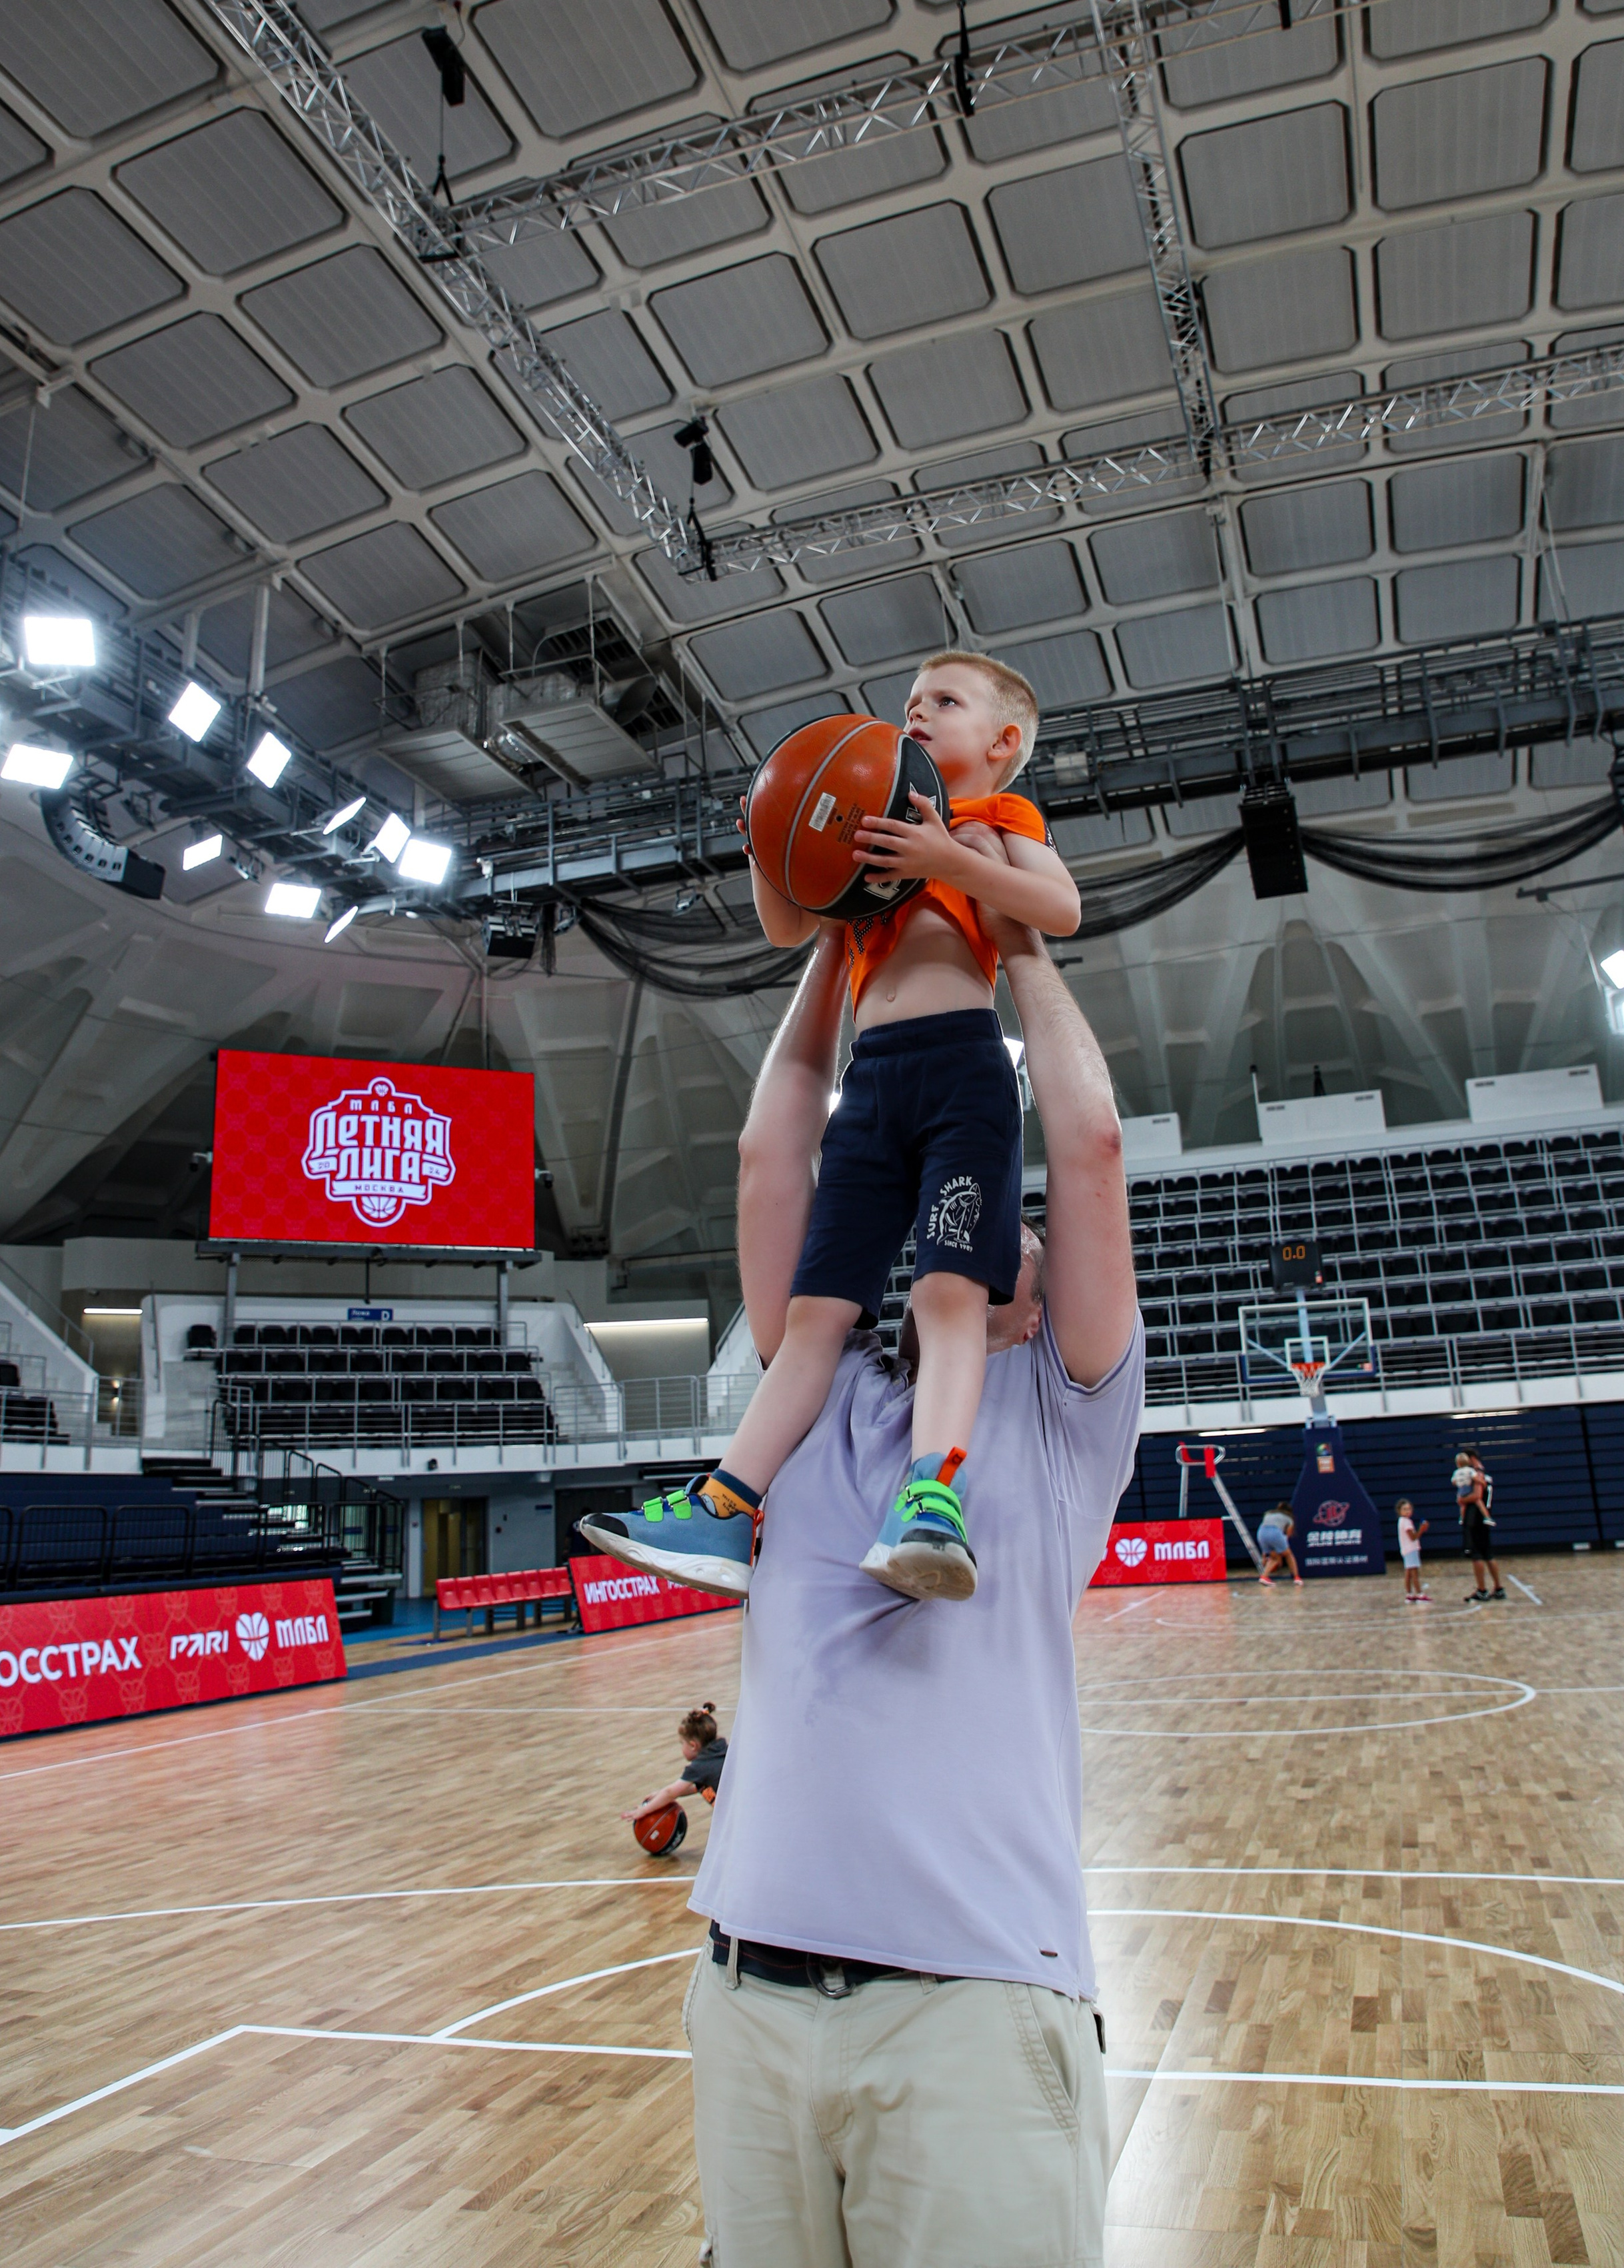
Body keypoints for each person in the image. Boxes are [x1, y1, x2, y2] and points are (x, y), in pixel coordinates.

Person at [675, 913, 1140, 2268]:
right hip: (745, 2000)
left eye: (1026, 1232)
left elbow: (1090, 1147)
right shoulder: (808, 1409)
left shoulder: (1064, 1420)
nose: (1008, 1232)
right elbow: (772, 1152)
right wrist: (844, 948)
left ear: (1045, 1290)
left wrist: (1017, 943)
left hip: (971, 2012)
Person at [582, 652, 1082, 1605]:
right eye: (911, 702)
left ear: (1002, 742)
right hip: (873, 1085)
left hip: (965, 1069)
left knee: (945, 1297)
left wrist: (949, 861)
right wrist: (770, 845)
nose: (918, 712)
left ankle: (934, 1497)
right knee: (815, 1315)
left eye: (944, 702)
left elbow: (1060, 906)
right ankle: (728, 1507)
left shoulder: (996, 821)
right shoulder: (865, 839)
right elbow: (786, 927)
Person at [623, 1702, 728, 1827]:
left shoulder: (699, 1767)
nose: (681, 1748)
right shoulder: (723, 1750)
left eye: (682, 1743)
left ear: (693, 1745)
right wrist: (660, 1794)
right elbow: (696, 1787)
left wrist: (643, 1811)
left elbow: (671, 1792)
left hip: (737, 1814)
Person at [1454, 1447, 1505, 1602]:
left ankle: (1482, 1590)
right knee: (1488, 1553)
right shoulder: (1482, 1473)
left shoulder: (1475, 1473)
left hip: (1475, 1518)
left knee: (1477, 1555)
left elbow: (1477, 1495)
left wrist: (1462, 1500)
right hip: (1481, 1517)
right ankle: (1498, 1589)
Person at [1257, 1501, 1301, 1585]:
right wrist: (1283, 1547)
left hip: (1261, 1533)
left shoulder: (1268, 1514)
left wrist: (1264, 1556)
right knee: (1289, 1555)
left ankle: (1264, 1577)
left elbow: (1266, 1527)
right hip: (1275, 1533)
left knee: (1275, 1558)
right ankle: (1297, 1578)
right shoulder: (1289, 1519)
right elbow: (1288, 1535)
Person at [1397, 1499, 1431, 1604]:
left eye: (1409, 1509)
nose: (1408, 1511)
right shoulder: (1407, 1522)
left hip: (1406, 1550)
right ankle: (1420, 1594)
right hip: (1411, 1550)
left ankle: (1409, 1595)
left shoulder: (1401, 1521)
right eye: (1405, 1509)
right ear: (1399, 1511)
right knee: (1414, 1573)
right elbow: (1413, 1537)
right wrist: (1422, 1529)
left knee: (1408, 1573)